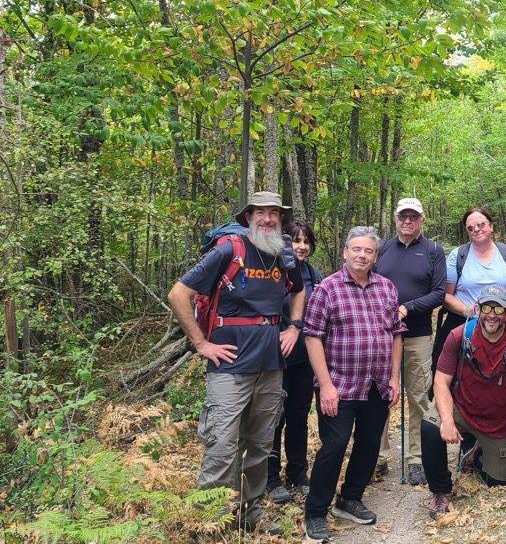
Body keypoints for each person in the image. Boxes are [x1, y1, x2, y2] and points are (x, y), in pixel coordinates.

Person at [166, 191, 304, 535]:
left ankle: (249, 512)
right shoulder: (228, 249)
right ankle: (209, 521)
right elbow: (178, 293)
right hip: (228, 365)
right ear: (248, 216)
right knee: (222, 444)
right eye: (261, 213)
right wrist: (201, 343)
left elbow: (297, 291)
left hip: (271, 363)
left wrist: (293, 327)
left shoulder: (285, 252)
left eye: (274, 213)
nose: (268, 219)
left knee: (259, 444)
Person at [302, 226, 404, 544]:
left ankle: (350, 498)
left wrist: (394, 377)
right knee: (334, 446)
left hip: (376, 383)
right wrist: (325, 385)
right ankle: (316, 513)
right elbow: (312, 336)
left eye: (368, 251)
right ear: (345, 251)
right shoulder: (327, 289)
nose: (362, 255)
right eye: (356, 249)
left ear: (375, 256)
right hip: (340, 384)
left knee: (369, 442)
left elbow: (396, 333)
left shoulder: (386, 288)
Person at [422, 286, 506, 518]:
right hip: (463, 409)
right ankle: (440, 490)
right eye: (486, 307)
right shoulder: (459, 336)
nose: (492, 314)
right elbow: (441, 382)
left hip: (499, 423)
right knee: (429, 426)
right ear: (477, 309)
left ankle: (476, 452)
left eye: (498, 308)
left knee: (498, 481)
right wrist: (446, 420)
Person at [374, 198, 447, 486]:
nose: (407, 221)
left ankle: (416, 457)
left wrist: (408, 308)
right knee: (380, 395)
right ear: (395, 219)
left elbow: (439, 292)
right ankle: (377, 455)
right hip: (381, 336)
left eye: (413, 217)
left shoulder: (432, 251)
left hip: (417, 333)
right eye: (403, 216)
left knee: (418, 395)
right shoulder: (382, 249)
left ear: (422, 220)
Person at [435, 207, 506, 377]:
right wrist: (467, 310)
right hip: (464, 323)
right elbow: (446, 295)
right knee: (459, 374)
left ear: (491, 226)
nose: (476, 229)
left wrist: (505, 306)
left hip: (504, 321)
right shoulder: (458, 255)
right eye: (470, 228)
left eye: (481, 224)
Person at [268, 222, 322, 504]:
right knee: (275, 419)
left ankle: (298, 474)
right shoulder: (272, 271)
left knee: (299, 417)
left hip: (305, 359)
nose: (301, 246)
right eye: (295, 241)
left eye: (305, 241)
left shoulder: (313, 274)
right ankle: (270, 478)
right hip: (275, 358)